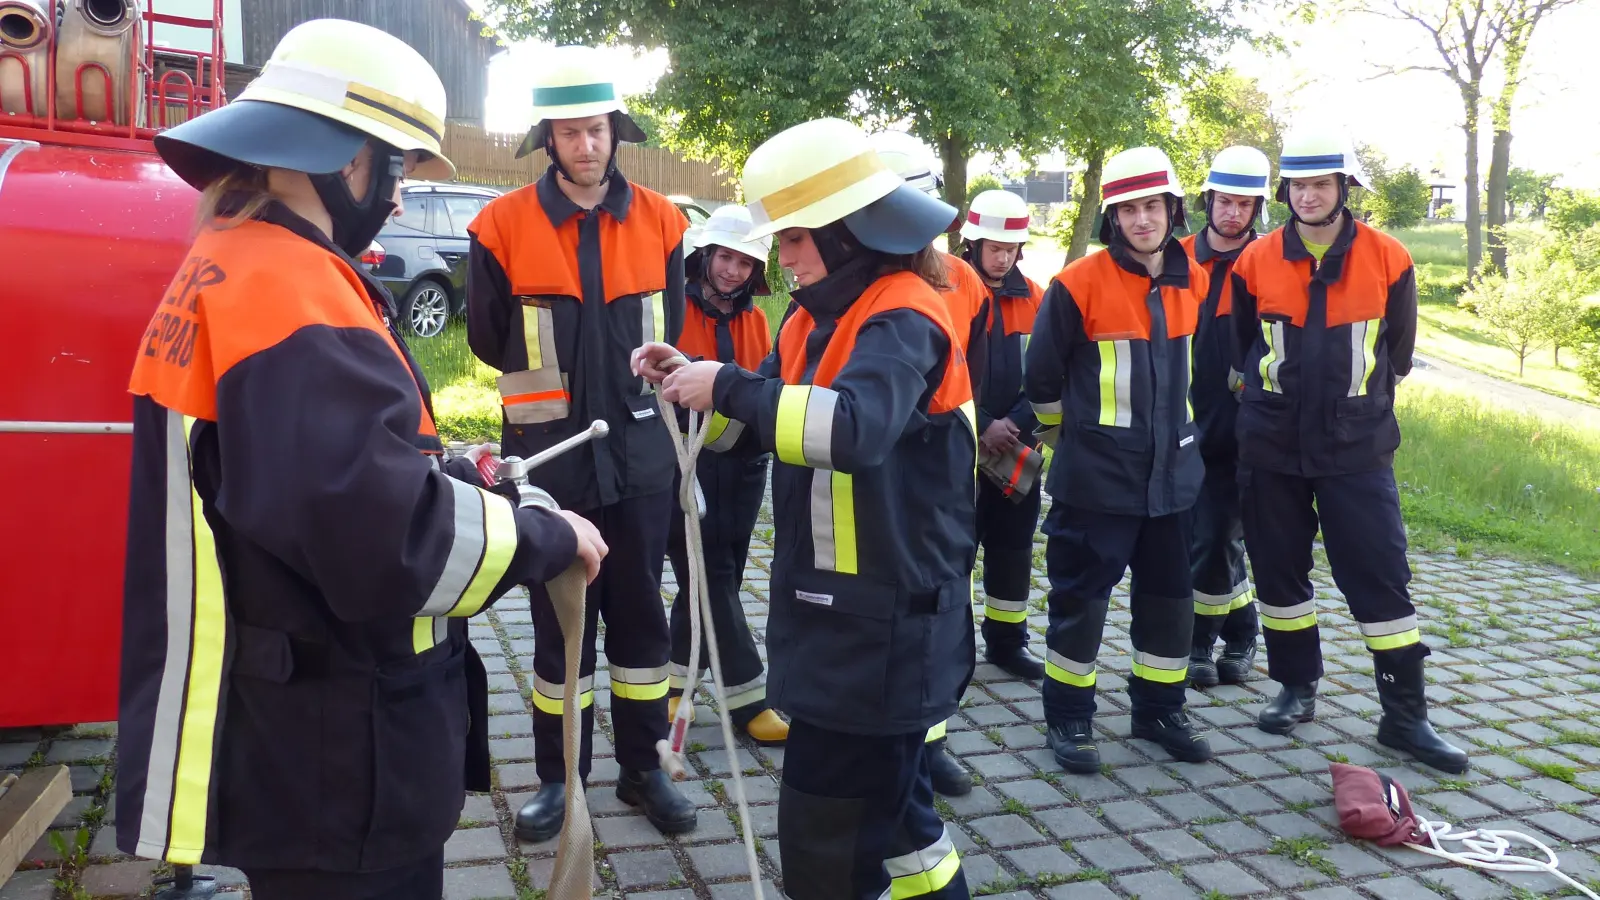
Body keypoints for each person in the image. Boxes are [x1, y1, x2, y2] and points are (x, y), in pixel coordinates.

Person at [114, 20, 605, 900]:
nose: (404, 198)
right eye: (403, 168)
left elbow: (303, 476)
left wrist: (443, 472)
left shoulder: (232, 259)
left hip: (292, 729)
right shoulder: (291, 293)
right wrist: (545, 538)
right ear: (348, 161)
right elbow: (385, 540)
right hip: (340, 756)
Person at [634, 117, 974, 900]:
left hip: (885, 635)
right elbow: (753, 424)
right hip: (845, 628)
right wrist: (688, 381)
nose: (777, 257)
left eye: (791, 238)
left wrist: (727, 385)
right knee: (898, 828)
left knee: (831, 849)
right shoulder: (809, 320)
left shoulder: (904, 313)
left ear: (849, 233)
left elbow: (852, 429)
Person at [465, 45, 696, 839]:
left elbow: (676, 330)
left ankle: (641, 772)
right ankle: (559, 780)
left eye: (595, 130)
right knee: (561, 627)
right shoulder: (498, 226)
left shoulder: (665, 221)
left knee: (641, 623)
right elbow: (490, 339)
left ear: (614, 131)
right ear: (549, 139)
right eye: (569, 133)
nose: (585, 145)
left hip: (640, 460)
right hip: (552, 463)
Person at [1231, 127, 1468, 773]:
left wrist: (1352, 405)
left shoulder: (1389, 258)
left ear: (1345, 189)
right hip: (1272, 444)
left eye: (1320, 184)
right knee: (1279, 575)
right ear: (1284, 193)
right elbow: (1241, 351)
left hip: (1356, 447)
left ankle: (1404, 716)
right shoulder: (1253, 261)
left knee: (1379, 574)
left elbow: (1397, 353)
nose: (1308, 195)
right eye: (1298, 186)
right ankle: (1296, 687)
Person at [1025, 147, 1214, 772]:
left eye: (1152, 207)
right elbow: (1042, 382)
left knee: (1169, 600)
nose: (1142, 220)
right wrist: (1070, 442)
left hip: (1174, 480)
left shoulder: (1196, 277)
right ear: (1112, 218)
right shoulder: (1076, 284)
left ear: (1172, 210)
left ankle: (1160, 708)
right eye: (1128, 209)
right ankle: (1070, 717)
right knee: (1081, 600)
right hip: (1096, 482)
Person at [868, 128, 991, 797]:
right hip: (883, 472)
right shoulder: (858, 291)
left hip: (946, 475)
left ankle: (932, 739)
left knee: (945, 611)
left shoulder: (966, 283)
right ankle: (898, 739)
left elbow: (983, 372)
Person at [663, 204, 789, 744]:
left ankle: (674, 685)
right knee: (709, 574)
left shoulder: (757, 321)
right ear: (705, 256)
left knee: (722, 577)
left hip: (743, 467)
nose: (732, 270)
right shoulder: (673, 310)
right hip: (683, 467)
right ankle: (747, 698)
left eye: (744, 262)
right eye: (724, 257)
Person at [1180, 146, 1272, 688]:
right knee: (1207, 537)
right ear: (1207, 200)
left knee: (1215, 536)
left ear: (1258, 206)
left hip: (1244, 428)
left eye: (1243, 203)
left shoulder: (1267, 263)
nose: (1232, 212)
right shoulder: (1177, 259)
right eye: (1224, 201)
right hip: (1182, 423)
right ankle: (1242, 631)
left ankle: (1197, 642)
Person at [959, 189, 1049, 682]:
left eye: (1011, 249)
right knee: (957, 550)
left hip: (1017, 446)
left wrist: (1012, 422)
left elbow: (1049, 373)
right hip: (959, 447)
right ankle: (955, 643)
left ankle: (1008, 642)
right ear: (971, 244)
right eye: (994, 247)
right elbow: (940, 373)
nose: (1003, 257)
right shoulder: (947, 292)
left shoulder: (1037, 299)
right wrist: (985, 421)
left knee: (1013, 549)